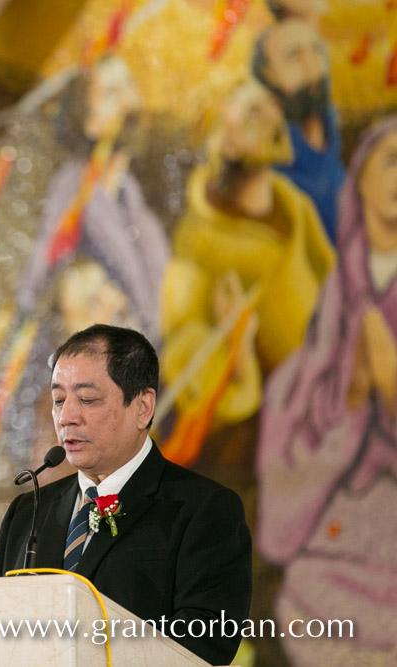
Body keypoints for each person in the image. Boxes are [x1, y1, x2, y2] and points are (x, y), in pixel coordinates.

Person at [0, 324, 252, 666]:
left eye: (88, 399)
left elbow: (208, 643)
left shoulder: (205, 509)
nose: (67, 417)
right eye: (58, 400)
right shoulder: (29, 509)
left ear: (143, 407)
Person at [256, 116, 397, 666]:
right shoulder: (340, 285)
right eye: (389, 161)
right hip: (337, 495)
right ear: (359, 179)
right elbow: (312, 383)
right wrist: (347, 400)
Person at [161, 79, 335, 430]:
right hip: (290, 418)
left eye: (271, 105)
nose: (275, 117)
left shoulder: (292, 202)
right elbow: (187, 365)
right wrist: (239, 348)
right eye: (255, 112)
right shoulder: (198, 241)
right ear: (226, 143)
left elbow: (332, 275)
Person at [15, 55, 170, 346]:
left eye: (129, 85)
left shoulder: (130, 194)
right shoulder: (73, 192)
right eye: (112, 93)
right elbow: (34, 293)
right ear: (88, 123)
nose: (129, 103)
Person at [252, 18, 345, 244]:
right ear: (268, 76)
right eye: (294, 56)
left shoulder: (336, 142)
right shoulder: (271, 173)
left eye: (317, 52)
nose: (312, 67)